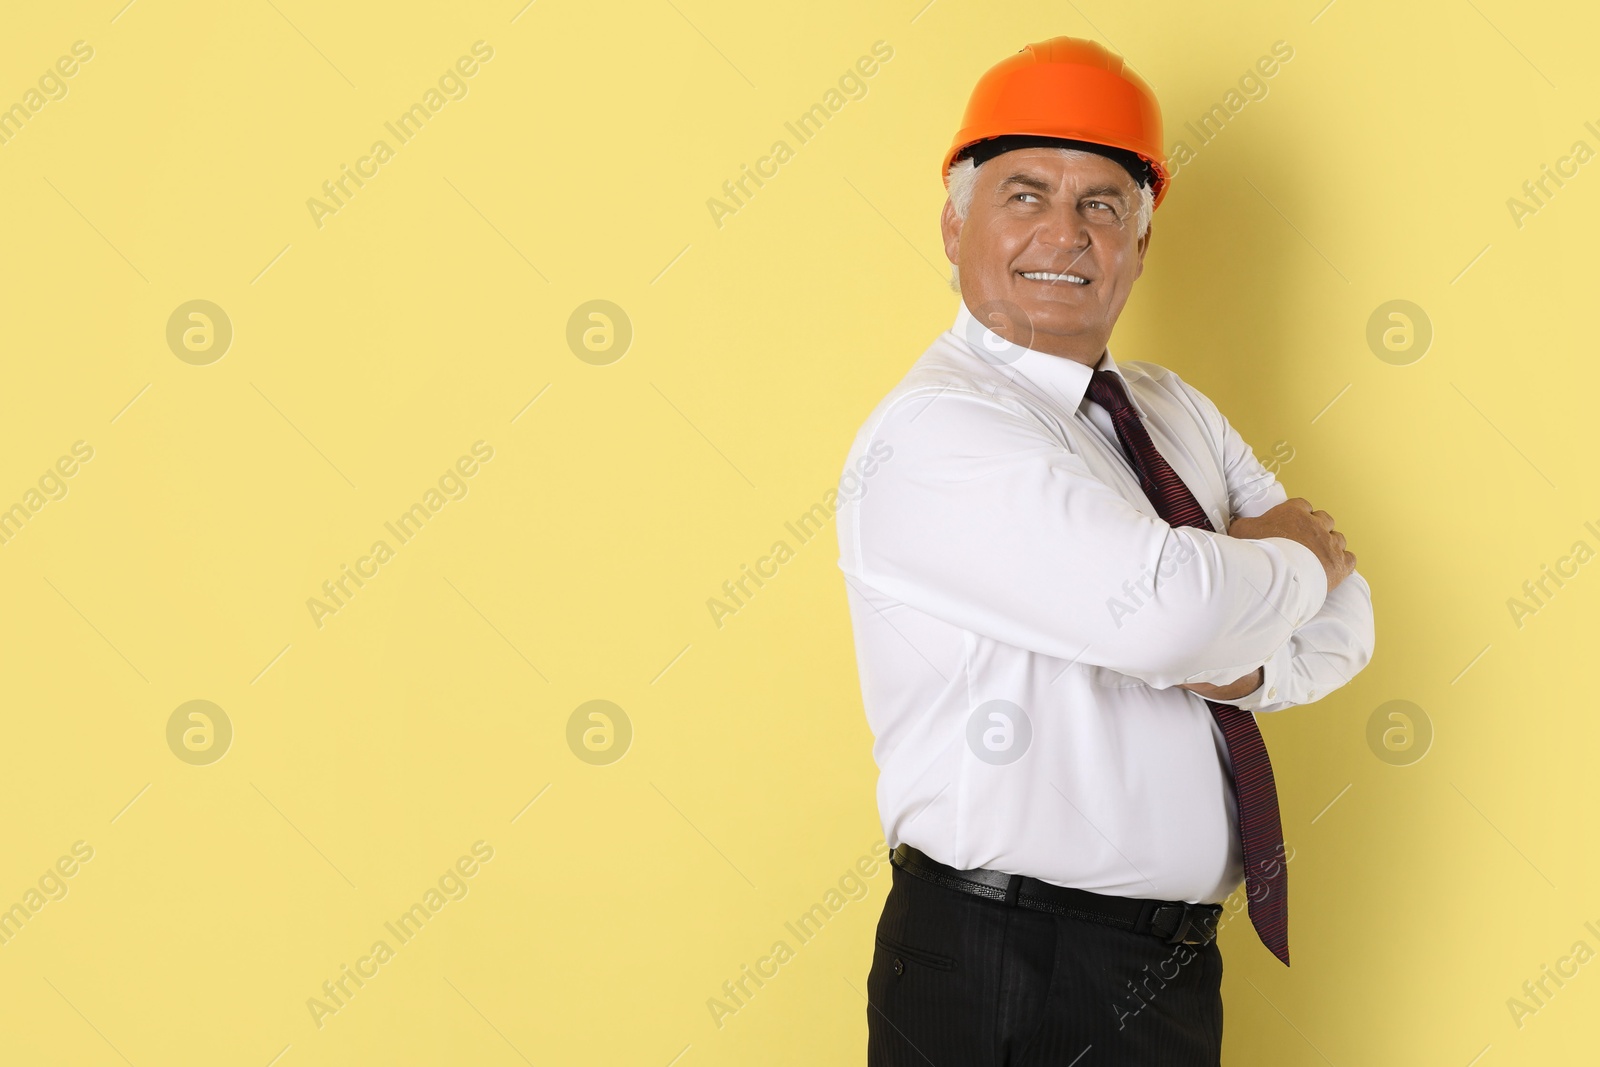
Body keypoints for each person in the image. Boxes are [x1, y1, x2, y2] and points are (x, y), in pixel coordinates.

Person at [833, 37, 1376, 1064]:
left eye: (1101, 204)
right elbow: (1171, 613)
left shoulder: (1171, 410)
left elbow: (1351, 623)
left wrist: (1242, 652)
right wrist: (1284, 564)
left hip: (1168, 970)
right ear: (955, 226)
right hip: (1001, 964)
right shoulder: (936, 430)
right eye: (1024, 194)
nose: (1064, 233)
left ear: (1140, 241)